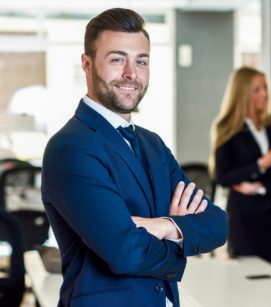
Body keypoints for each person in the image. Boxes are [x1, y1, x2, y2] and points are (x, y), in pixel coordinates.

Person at [41, 8, 228, 307]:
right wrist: (181, 235)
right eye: (117, 59)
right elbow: (124, 251)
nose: (131, 73)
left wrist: (163, 225)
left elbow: (217, 223)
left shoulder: (152, 144)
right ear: (87, 65)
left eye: (141, 61)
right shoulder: (71, 147)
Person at [210, 67, 271, 265]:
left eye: (264, 88)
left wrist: (261, 187)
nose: (264, 93)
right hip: (243, 215)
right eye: (257, 89)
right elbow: (223, 176)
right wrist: (262, 164)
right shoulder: (227, 127)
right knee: (246, 275)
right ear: (242, 92)